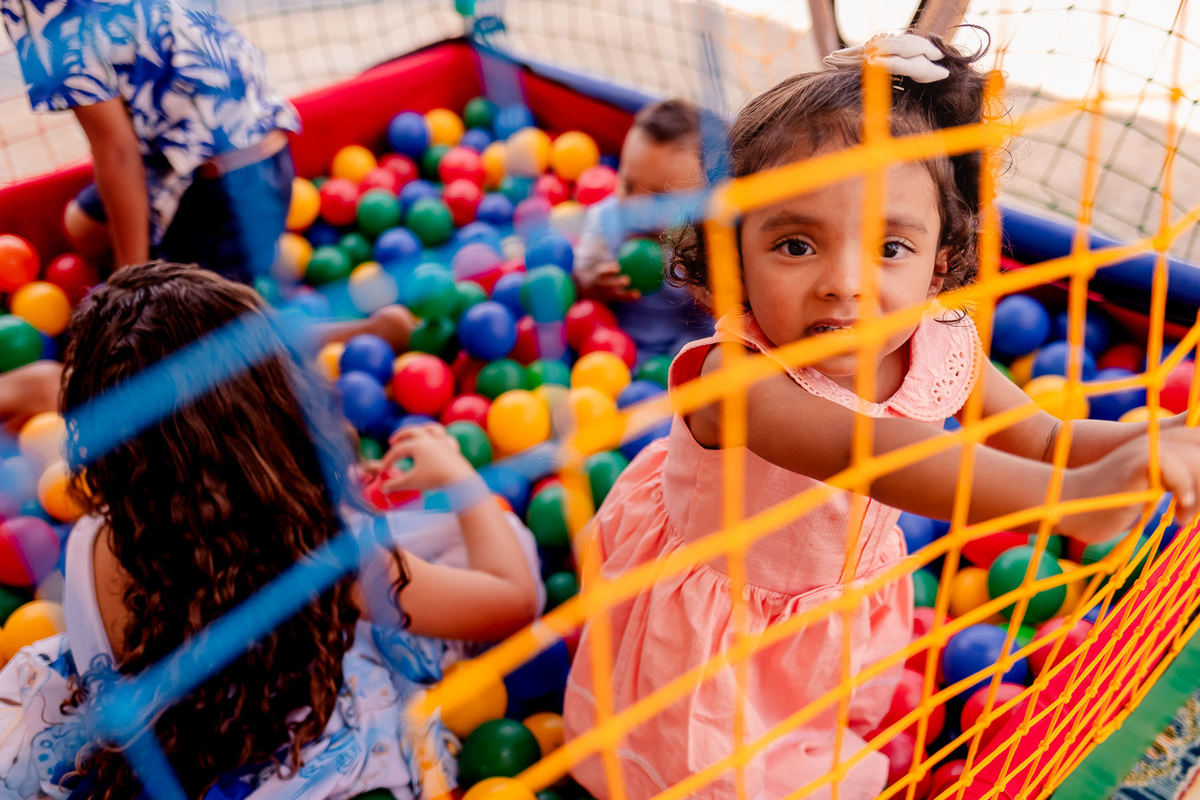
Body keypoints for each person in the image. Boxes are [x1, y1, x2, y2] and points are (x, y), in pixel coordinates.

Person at [562, 32, 1200, 800]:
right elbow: (874, 451)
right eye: (796, 244)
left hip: (827, 611)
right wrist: (1074, 501)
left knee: (809, 738)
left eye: (889, 246)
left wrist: (1155, 441)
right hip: (712, 635)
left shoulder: (936, 341)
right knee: (702, 775)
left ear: (939, 261)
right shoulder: (734, 377)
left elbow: (1048, 437)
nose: (844, 285)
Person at [0, 262, 540, 798]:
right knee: (508, 537)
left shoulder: (95, 535)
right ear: (271, 414)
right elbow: (512, 600)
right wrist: (461, 478)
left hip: (148, 746)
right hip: (271, 762)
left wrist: (286, 489)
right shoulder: (320, 549)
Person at [2, 0, 299, 281]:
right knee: (83, 226)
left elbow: (117, 152)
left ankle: (327, 326)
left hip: (222, 189)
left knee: (190, 327)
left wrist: (134, 283)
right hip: (266, 146)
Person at [572, 99, 715, 362]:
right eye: (628, 185)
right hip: (615, 348)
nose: (635, 208)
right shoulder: (606, 219)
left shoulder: (706, 238)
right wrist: (598, 285)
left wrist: (706, 297)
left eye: (659, 199)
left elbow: (732, 310)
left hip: (688, 349)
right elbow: (579, 285)